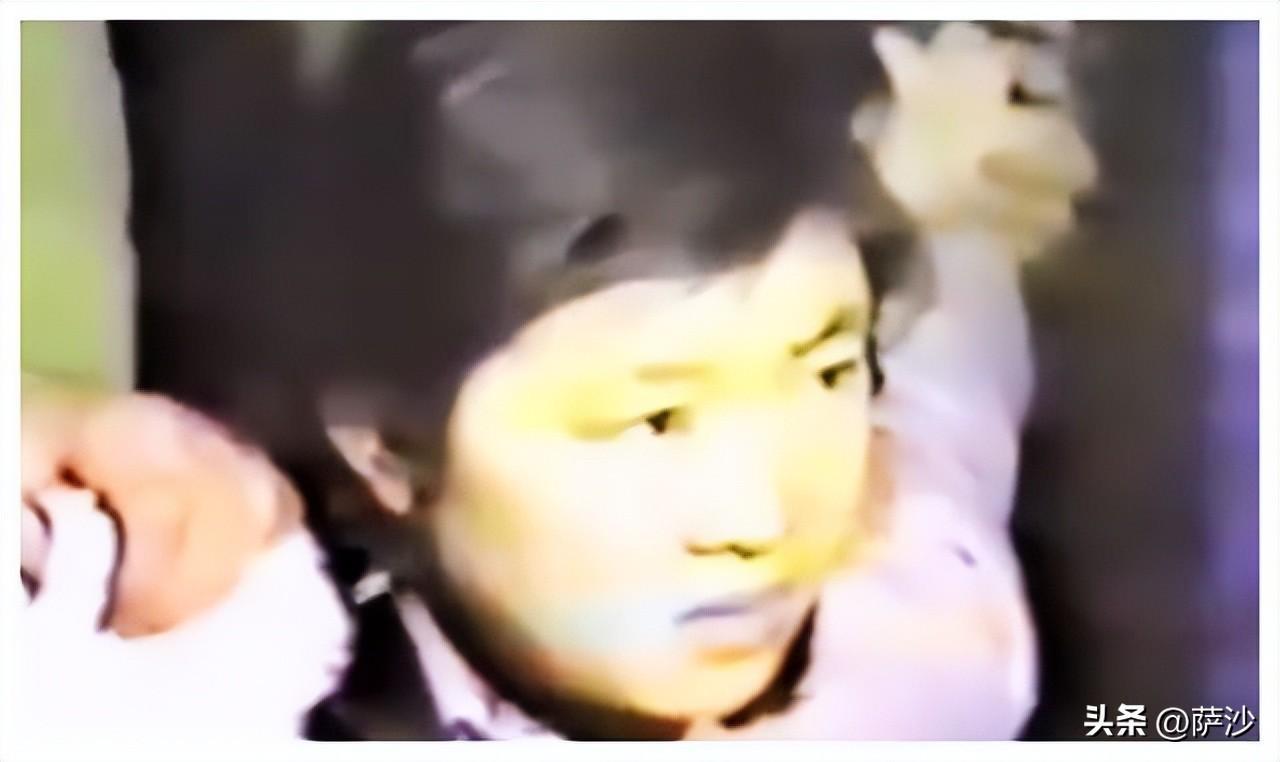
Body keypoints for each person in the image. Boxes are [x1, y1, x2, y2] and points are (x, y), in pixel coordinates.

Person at [18, 21, 1095, 741]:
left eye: (822, 372)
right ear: (384, 445)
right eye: (654, 418)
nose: (764, 521)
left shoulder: (928, 624)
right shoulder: (211, 687)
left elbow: (943, 363)